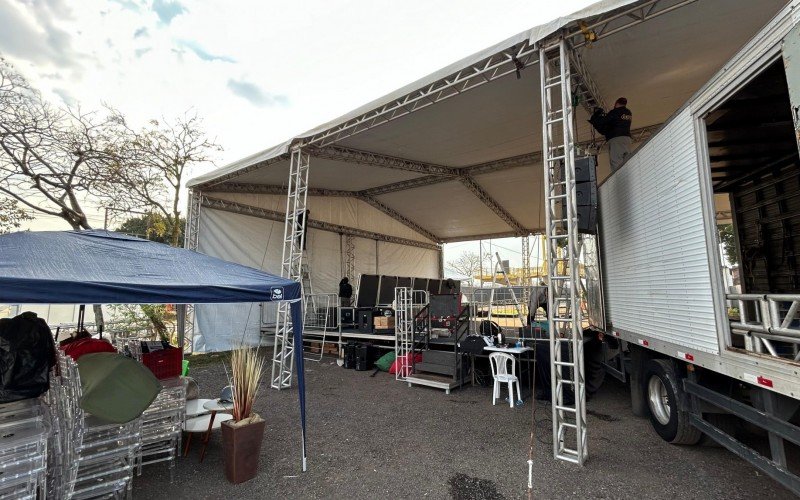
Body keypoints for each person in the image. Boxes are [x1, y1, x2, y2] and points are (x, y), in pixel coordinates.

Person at [589, 97, 633, 172]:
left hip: (616, 139)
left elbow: (604, 121)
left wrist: (596, 117)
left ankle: (618, 180)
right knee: (627, 160)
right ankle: (628, 177)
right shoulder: (629, 113)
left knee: (616, 161)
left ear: (616, 103)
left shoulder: (615, 112)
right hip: (627, 139)